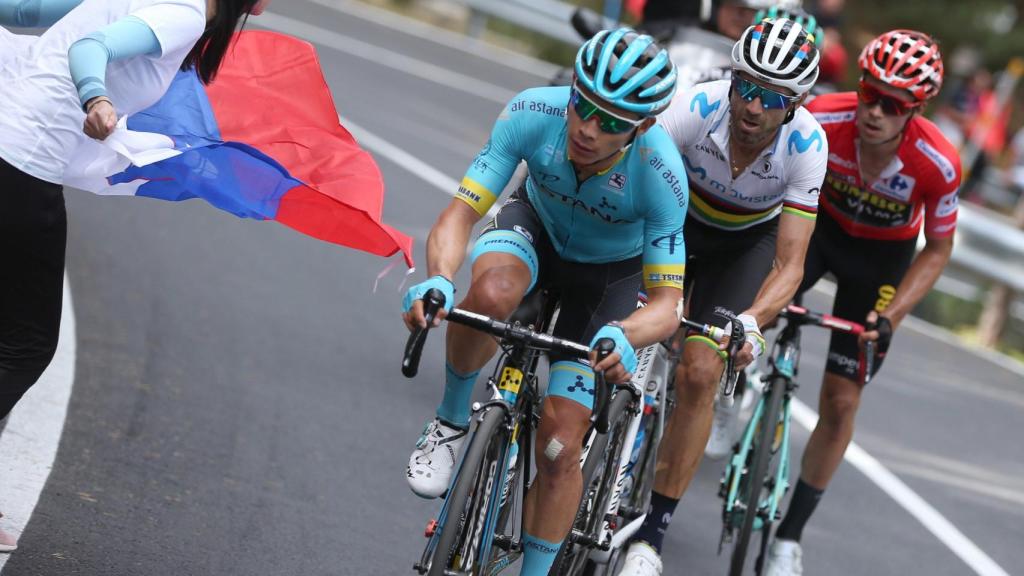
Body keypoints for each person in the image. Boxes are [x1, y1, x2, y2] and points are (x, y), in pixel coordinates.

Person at [401, 28, 687, 575]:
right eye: (584, 105)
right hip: (533, 231)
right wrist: (437, 279)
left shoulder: (661, 174)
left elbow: (668, 303)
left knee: (558, 446)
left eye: (612, 122)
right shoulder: (533, 111)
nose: (587, 127)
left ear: (643, 126)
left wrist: (625, 334)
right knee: (487, 295)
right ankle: (451, 420)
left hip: (609, 280)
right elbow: (460, 214)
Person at [0, 0, 271, 553]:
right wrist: (96, 97)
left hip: (10, 151)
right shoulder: (187, 14)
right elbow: (87, 47)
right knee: (25, 347)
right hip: (22, 165)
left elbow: (29, 12)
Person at [616, 17, 826, 576]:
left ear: (797, 105)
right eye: (747, 87)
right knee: (623, 336)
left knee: (702, 371)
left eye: (773, 97)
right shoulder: (694, 106)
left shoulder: (808, 146)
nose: (753, 106)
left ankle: (651, 536)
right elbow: (634, 187)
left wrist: (754, 319)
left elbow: (790, 263)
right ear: (732, 80)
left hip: (744, 244)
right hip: (674, 221)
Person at [761, 29, 960, 575]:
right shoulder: (821, 117)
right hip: (817, 233)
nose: (875, 111)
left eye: (893, 105)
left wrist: (890, 318)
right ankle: (739, 385)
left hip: (880, 262)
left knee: (842, 400)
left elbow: (939, 248)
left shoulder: (936, 164)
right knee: (757, 309)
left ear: (916, 110)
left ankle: (788, 539)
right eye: (870, 94)